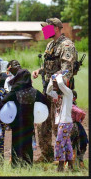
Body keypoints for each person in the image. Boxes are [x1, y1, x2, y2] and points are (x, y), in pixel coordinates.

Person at [32, 18, 78, 162]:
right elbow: (50, 66)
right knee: (43, 123)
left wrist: (56, 87)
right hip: (48, 90)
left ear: (56, 28)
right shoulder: (51, 44)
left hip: (60, 92)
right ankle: (47, 155)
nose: (44, 31)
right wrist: (39, 71)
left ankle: (66, 157)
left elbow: (66, 71)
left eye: (47, 28)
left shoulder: (67, 45)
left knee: (59, 125)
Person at [0, 68, 49, 168]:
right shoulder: (34, 92)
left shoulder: (14, 92)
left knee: (16, 143)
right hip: (29, 122)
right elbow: (46, 101)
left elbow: (3, 102)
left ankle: (15, 165)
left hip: (17, 123)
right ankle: (28, 164)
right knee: (27, 143)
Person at [46, 72, 74, 172]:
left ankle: (60, 166)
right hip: (64, 122)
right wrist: (51, 79)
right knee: (66, 144)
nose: (54, 86)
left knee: (58, 143)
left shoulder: (68, 93)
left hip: (65, 123)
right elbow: (48, 91)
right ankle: (70, 165)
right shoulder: (59, 95)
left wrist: (58, 76)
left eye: (55, 84)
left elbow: (61, 84)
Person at [70, 90, 88, 169]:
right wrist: (79, 120)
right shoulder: (73, 105)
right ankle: (79, 162)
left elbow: (81, 113)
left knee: (73, 144)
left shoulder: (70, 105)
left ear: (74, 98)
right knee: (80, 144)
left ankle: (76, 163)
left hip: (74, 125)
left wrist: (77, 120)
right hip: (77, 126)